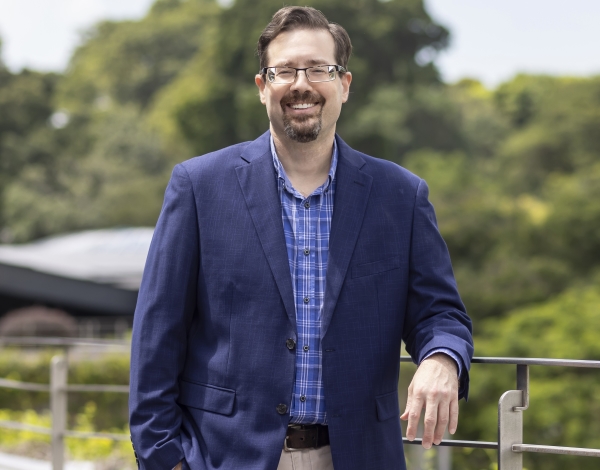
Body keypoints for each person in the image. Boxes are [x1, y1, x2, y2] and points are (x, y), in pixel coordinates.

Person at [129, 6, 473, 470]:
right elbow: (157, 335)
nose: (301, 84)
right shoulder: (199, 186)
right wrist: (164, 459)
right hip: (224, 456)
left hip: (359, 455)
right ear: (262, 87)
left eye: (318, 69)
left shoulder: (401, 196)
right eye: (284, 70)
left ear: (344, 85)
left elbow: (440, 312)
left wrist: (442, 359)